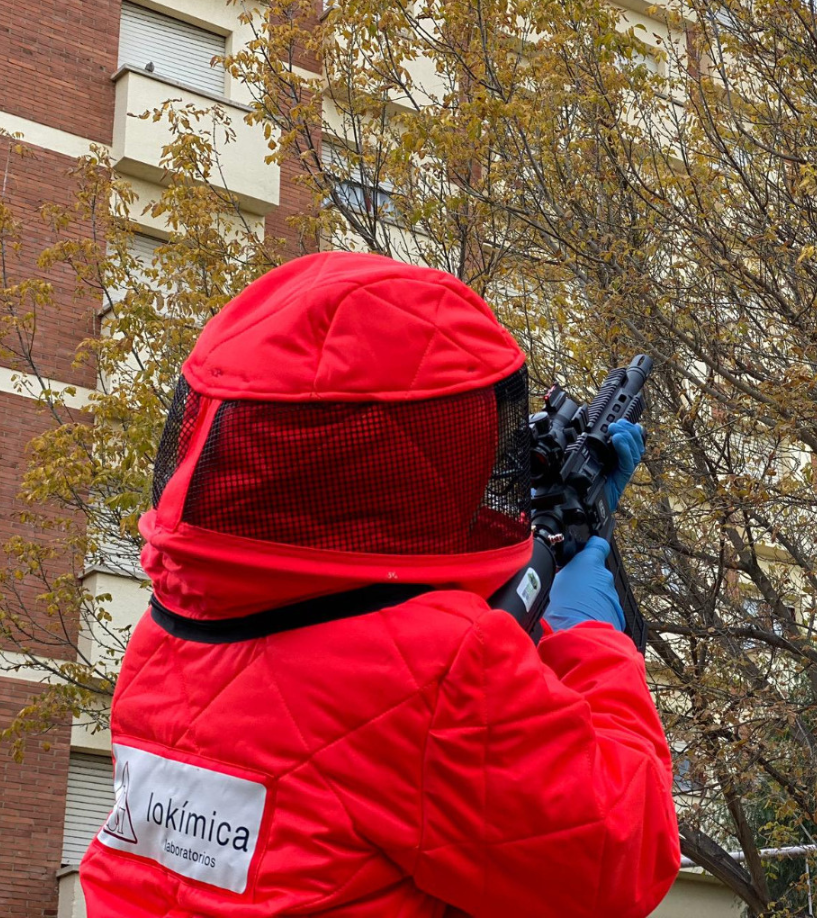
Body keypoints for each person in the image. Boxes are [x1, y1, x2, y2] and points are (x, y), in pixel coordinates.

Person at [79, 251, 681, 917]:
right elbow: (621, 855)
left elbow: (339, 703)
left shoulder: (163, 635)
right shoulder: (442, 669)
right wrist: (589, 639)